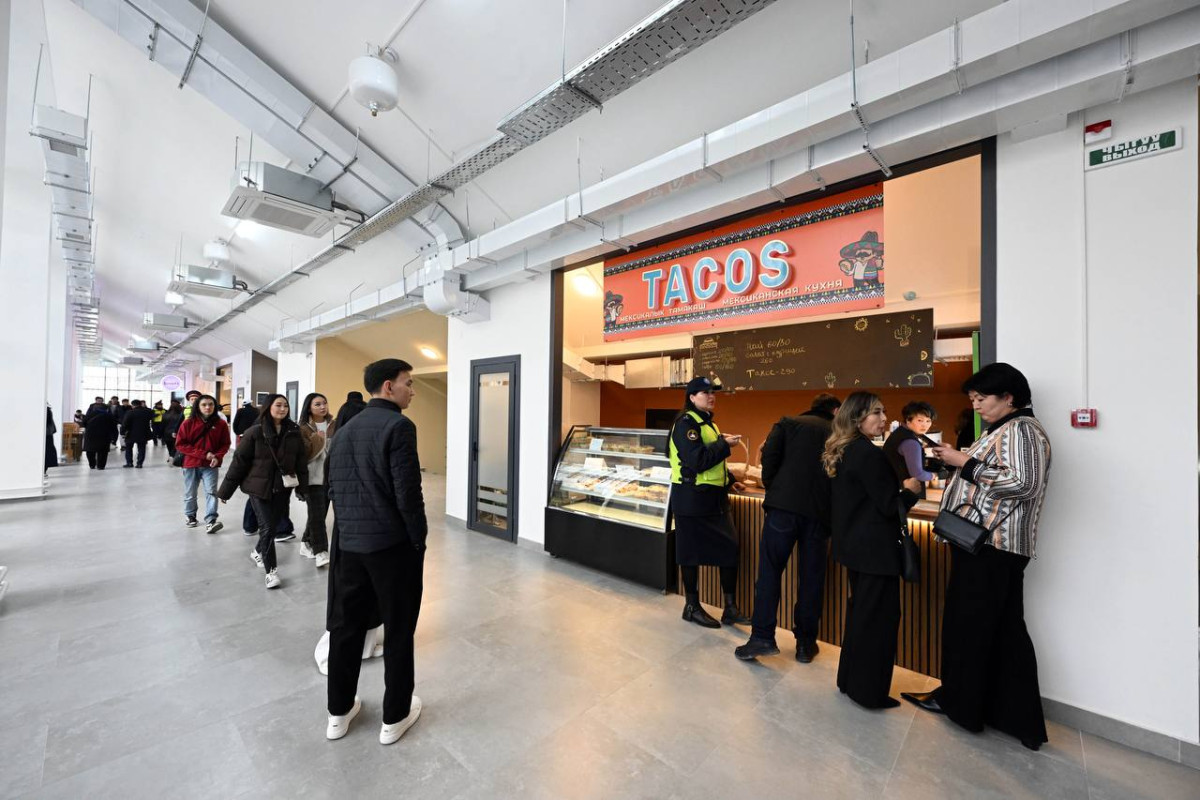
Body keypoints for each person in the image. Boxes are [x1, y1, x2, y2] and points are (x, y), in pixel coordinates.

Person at [902, 363, 1052, 752]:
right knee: (997, 630)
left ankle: (963, 706)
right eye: (973, 399)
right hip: (988, 545)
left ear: (1009, 397)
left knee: (971, 628)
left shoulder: (1022, 430)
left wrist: (963, 462)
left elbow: (1024, 484)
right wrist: (958, 460)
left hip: (992, 546)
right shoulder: (1004, 428)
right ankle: (1005, 715)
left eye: (981, 398)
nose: (976, 406)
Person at [324, 359, 426, 745]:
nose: (411, 390)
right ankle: (395, 717)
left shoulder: (344, 430)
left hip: (350, 545)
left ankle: (338, 712)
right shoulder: (399, 426)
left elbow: (334, 489)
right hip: (390, 548)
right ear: (388, 386)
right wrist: (418, 540)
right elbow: (408, 493)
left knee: (346, 628)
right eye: (408, 383)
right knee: (398, 629)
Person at [823, 391, 921, 710]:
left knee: (861, 616)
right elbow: (889, 506)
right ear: (857, 418)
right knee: (878, 621)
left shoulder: (846, 450)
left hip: (854, 548)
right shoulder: (868, 454)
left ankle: (850, 681)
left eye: (883, 411)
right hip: (875, 550)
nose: (883, 418)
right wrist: (911, 491)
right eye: (876, 413)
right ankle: (868, 692)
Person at [735, 393, 840, 663]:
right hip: (819, 514)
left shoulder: (787, 423)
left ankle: (761, 638)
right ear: (835, 411)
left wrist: (776, 490)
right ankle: (805, 644)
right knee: (812, 578)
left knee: (769, 572)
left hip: (782, 510)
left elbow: (768, 458)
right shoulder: (840, 432)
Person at [667, 376, 751, 629]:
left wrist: (730, 480)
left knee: (729, 548)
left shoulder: (709, 424)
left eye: (713, 392)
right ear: (692, 397)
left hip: (714, 499)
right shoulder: (686, 424)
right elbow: (698, 461)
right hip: (691, 498)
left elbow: (714, 463)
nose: (711, 396)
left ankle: (730, 608)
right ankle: (691, 606)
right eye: (705, 393)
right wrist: (724, 444)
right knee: (690, 554)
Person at [217, 394, 308, 589]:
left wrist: (302, 488)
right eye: (278, 405)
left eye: (285, 406)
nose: (282, 409)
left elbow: (300, 463)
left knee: (272, 527)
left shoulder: (293, 431)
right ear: (268, 407)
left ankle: (257, 552)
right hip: (258, 488)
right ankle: (271, 572)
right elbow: (239, 463)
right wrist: (225, 492)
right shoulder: (255, 432)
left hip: (282, 488)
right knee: (267, 527)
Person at [175, 394, 231, 533]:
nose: (207, 407)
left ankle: (211, 520)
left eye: (210, 404)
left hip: (210, 465)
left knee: (211, 492)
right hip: (191, 464)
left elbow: (225, 444)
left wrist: (217, 456)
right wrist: (204, 454)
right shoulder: (188, 423)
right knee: (190, 492)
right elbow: (180, 444)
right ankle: (190, 516)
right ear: (198, 407)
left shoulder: (221, 424)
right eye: (204, 405)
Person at [298, 392, 337, 568]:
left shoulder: (334, 425)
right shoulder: (303, 428)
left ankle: (305, 543)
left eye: (324, 403)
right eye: (318, 404)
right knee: (317, 516)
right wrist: (317, 439)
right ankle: (320, 551)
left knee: (318, 514)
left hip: (331, 477)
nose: (323, 407)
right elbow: (303, 455)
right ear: (309, 408)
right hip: (312, 478)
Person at [882, 401, 937, 498]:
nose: (924, 425)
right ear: (908, 420)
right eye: (920, 420)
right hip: (907, 494)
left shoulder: (898, 433)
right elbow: (918, 474)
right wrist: (934, 475)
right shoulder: (910, 442)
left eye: (928, 421)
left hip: (891, 489)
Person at [121, 400, 155, 469]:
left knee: (128, 448)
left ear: (133, 405)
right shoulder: (147, 412)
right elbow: (153, 417)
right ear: (140, 404)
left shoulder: (130, 412)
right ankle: (139, 464)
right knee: (141, 449)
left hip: (131, 433)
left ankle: (129, 463)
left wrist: (122, 432)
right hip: (143, 433)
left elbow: (125, 423)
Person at [82, 404, 117, 470]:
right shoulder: (109, 416)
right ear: (106, 409)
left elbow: (83, 423)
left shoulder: (89, 415)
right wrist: (114, 438)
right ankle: (101, 466)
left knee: (90, 450)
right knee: (103, 452)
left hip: (90, 435)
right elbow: (113, 427)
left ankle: (92, 464)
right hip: (104, 436)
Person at [45, 406, 58, 473]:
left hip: (46, 433)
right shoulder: (48, 410)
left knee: (46, 452)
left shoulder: (46, 411)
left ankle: (44, 470)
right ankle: (44, 470)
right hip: (49, 433)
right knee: (48, 451)